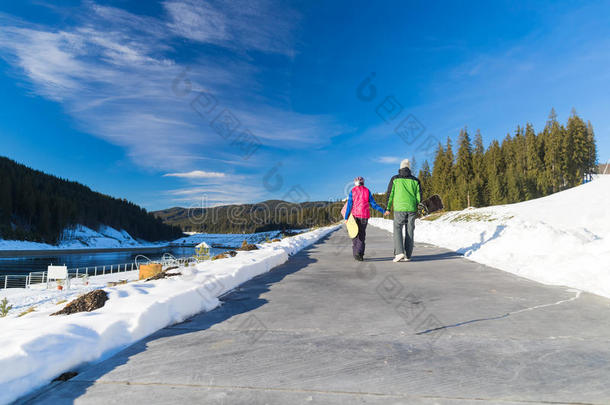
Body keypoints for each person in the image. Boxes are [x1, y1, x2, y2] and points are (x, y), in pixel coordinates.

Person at [384, 159, 422, 263]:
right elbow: (419, 197)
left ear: (400, 168)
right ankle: (408, 255)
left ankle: (399, 252)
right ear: (409, 168)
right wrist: (418, 207)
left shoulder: (395, 179)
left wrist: (388, 208)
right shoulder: (416, 180)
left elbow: (390, 194)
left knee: (397, 228)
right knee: (409, 230)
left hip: (399, 208)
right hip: (412, 208)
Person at [344, 176, 388, 261]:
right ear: (363, 182)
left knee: (354, 234)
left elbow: (349, 205)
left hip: (355, 216)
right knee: (362, 234)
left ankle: (356, 252)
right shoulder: (367, 191)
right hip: (364, 216)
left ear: (355, 183)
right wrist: (383, 211)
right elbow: (374, 204)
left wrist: (346, 217)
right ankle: (360, 253)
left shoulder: (352, 191)